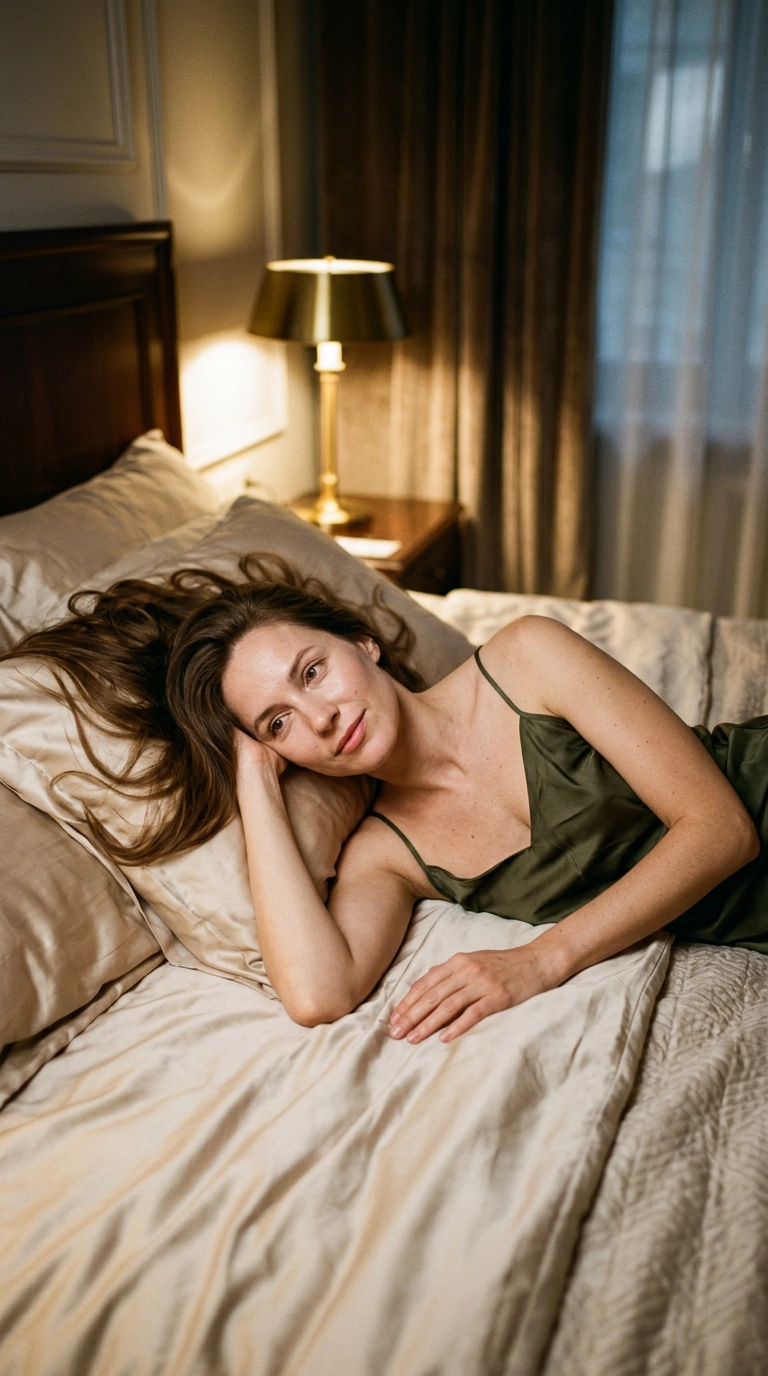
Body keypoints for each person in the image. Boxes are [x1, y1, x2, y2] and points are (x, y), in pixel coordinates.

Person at [8, 555, 768, 1044]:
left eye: (312, 672)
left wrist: (541, 960)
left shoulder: (526, 658)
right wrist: (251, 777)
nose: (321, 718)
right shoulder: (384, 856)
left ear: (363, 642)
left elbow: (721, 828)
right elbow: (317, 994)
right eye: (280, 722)